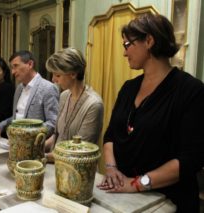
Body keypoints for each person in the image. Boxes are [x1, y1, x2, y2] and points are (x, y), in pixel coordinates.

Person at [97, 13, 204, 212]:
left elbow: (190, 159)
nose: (124, 53)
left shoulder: (191, 90)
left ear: (149, 41)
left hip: (168, 200)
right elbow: (111, 133)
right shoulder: (128, 88)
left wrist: (137, 183)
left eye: (127, 45)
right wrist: (111, 169)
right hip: (124, 197)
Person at [45, 47, 104, 161]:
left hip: (78, 173)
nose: (53, 80)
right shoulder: (64, 96)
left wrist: (44, 157)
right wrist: (39, 147)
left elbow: (79, 151)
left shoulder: (93, 104)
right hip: (57, 166)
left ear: (73, 74)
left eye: (57, 75)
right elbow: (59, 135)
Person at [0, 50, 59, 138]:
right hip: (14, 142)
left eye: (16, 66)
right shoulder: (19, 88)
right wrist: (1, 126)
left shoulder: (48, 88)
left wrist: (28, 134)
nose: (13, 72)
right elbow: (16, 118)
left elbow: (53, 122)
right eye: (12, 68)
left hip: (34, 145)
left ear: (30, 64)